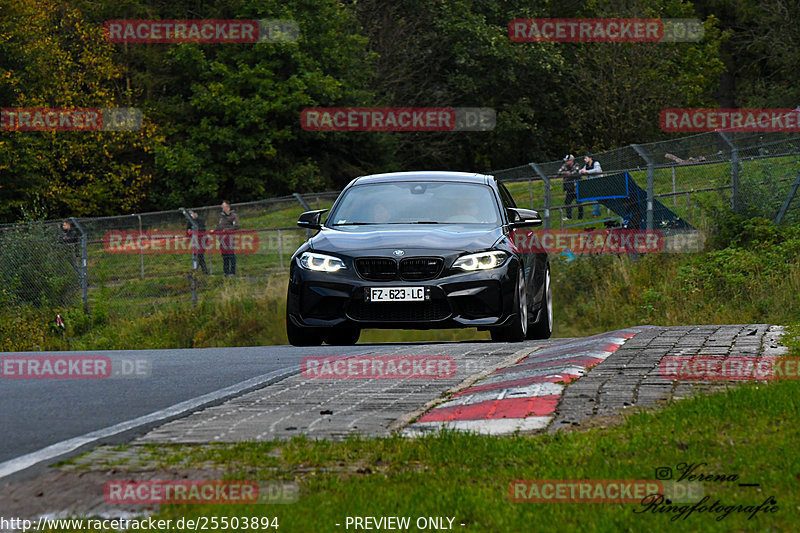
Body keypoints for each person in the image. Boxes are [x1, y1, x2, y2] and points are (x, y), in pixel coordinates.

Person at [215, 200, 239, 276]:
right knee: (224, 255)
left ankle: (232, 272)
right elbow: (220, 226)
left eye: (223, 206)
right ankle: (226, 271)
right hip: (222, 238)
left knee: (231, 254)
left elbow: (236, 226)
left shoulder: (233, 215)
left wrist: (227, 230)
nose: (222, 207)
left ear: (228, 207)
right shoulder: (222, 216)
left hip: (230, 238)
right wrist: (215, 230)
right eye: (222, 206)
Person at [558, 154, 582, 220]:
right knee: (567, 202)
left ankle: (580, 217)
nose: (566, 162)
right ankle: (569, 216)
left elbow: (575, 173)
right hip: (569, 187)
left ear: (571, 161)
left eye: (567, 161)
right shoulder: (565, 166)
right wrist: (566, 173)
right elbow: (559, 172)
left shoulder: (576, 165)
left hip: (576, 187)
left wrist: (568, 174)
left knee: (579, 202)